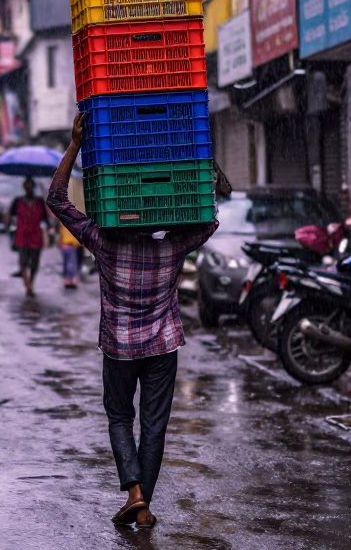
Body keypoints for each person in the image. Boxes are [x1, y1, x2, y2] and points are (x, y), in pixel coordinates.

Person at [46, 113, 228, 530]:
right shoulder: (173, 248)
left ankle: (135, 494)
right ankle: (142, 506)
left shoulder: (104, 242)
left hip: (119, 347)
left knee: (119, 417)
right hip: (163, 346)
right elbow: (210, 218)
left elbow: (57, 199)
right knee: (154, 425)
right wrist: (198, 158)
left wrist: (75, 144)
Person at [6, 176, 49, 296]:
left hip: (36, 235)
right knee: (23, 261)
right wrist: (9, 227)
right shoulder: (18, 201)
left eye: (30, 186)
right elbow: (10, 216)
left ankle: (30, 282)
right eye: (26, 186)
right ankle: (28, 286)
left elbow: (45, 218)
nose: (28, 188)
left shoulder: (40, 201)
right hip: (22, 235)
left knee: (35, 263)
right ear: (24, 187)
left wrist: (50, 230)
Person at [59, 218, 80, 289]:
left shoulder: (63, 218)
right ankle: (69, 280)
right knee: (71, 263)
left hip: (67, 243)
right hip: (70, 243)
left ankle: (67, 280)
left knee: (67, 262)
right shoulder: (72, 220)